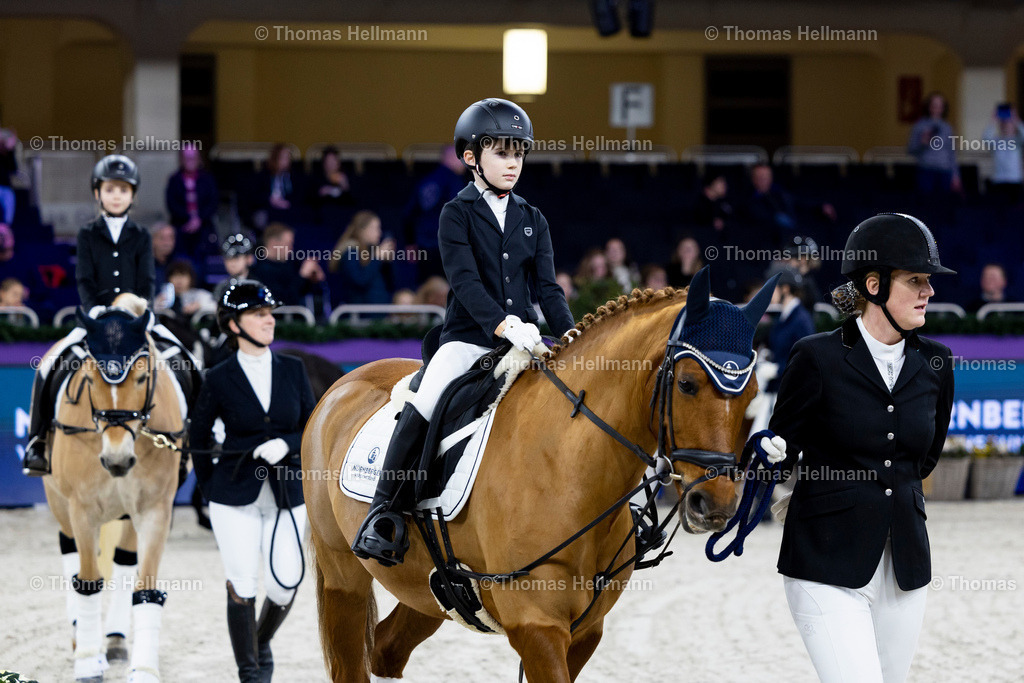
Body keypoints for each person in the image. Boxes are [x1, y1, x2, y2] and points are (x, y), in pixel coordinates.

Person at [351, 97, 576, 566]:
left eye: (518, 153)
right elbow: (465, 282)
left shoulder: (534, 219)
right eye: (501, 152)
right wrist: (503, 323)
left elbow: (550, 290)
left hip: (525, 341)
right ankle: (383, 512)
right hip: (467, 340)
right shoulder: (455, 213)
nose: (513, 163)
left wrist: (572, 336)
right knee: (425, 400)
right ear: (471, 156)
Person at [768, 213, 955, 682]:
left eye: (928, 281)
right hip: (824, 561)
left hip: (905, 563)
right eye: (915, 280)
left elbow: (925, 456)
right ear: (874, 285)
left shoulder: (937, 362)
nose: (928, 292)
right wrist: (770, 457)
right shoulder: (816, 357)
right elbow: (783, 451)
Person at [188, 280, 315, 682]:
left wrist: (287, 443)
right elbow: (199, 437)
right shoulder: (219, 377)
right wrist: (210, 489)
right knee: (242, 582)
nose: (269, 320)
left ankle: (260, 641)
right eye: (259, 314)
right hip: (233, 494)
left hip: (286, 492)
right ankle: (251, 672)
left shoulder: (293, 369)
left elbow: (313, 428)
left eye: (270, 314)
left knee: (285, 584)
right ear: (234, 325)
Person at [23, 155, 156, 475]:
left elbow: (147, 280)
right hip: (96, 320)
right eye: (110, 189)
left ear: (132, 195)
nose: (116, 195)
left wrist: (144, 310)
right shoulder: (87, 234)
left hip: (135, 319)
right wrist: (95, 311)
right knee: (48, 366)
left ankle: (192, 436)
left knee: (185, 360)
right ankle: (38, 441)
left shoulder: (142, 235)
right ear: (98, 193)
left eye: (123, 190)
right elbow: (84, 278)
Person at [403, 144, 467, 281]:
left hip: (424, 245)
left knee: (426, 289)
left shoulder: (426, 181)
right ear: (451, 157)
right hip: (446, 246)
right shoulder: (453, 181)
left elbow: (409, 214)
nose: (466, 163)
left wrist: (410, 242)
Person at [326, 210, 395, 306]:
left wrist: (387, 261)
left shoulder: (372, 251)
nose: (379, 233)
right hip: (361, 315)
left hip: (378, 313)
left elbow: (390, 284)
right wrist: (377, 258)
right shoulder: (350, 251)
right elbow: (359, 280)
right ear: (363, 230)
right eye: (376, 228)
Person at [248, 223, 324, 306]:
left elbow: (308, 294)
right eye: (288, 244)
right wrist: (302, 275)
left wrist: (313, 280)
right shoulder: (258, 270)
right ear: (274, 243)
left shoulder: (291, 264)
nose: (291, 249)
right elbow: (283, 301)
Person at [766, 268, 815, 394]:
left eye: (773, 287)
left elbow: (805, 361)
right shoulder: (782, 316)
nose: (768, 292)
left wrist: (777, 370)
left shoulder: (801, 320)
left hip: (793, 392)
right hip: (778, 388)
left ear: (785, 289)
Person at [165, 146, 219, 259]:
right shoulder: (174, 179)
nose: (190, 160)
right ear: (181, 159)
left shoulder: (207, 179)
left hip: (204, 226)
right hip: (181, 225)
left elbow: (213, 202)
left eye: (192, 157)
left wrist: (198, 219)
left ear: (198, 159)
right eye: (187, 157)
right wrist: (189, 218)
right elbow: (171, 204)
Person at [907, 92, 961, 196]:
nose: (937, 109)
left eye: (940, 106)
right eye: (934, 106)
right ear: (929, 107)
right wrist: (922, 143)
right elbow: (911, 149)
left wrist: (956, 176)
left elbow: (952, 154)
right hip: (926, 171)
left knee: (943, 206)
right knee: (925, 206)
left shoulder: (948, 128)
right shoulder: (919, 126)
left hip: (945, 172)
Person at [982, 104, 1024, 204]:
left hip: (1015, 181)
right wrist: (993, 120)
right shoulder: (996, 141)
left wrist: (1016, 119)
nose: (1006, 124)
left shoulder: (1018, 140)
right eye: (1003, 122)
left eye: (1009, 122)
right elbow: (986, 138)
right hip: (998, 181)